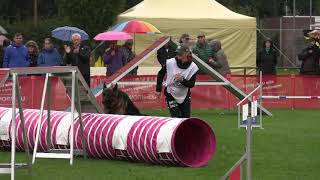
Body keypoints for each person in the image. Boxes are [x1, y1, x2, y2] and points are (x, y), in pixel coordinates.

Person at [156, 44, 199, 118]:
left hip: (184, 95)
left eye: (180, 53)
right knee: (176, 116)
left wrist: (182, 80)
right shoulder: (169, 62)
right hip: (170, 93)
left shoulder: (193, 67)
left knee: (185, 118)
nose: (177, 55)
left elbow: (191, 84)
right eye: (177, 53)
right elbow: (160, 74)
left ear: (186, 54)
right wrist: (158, 89)